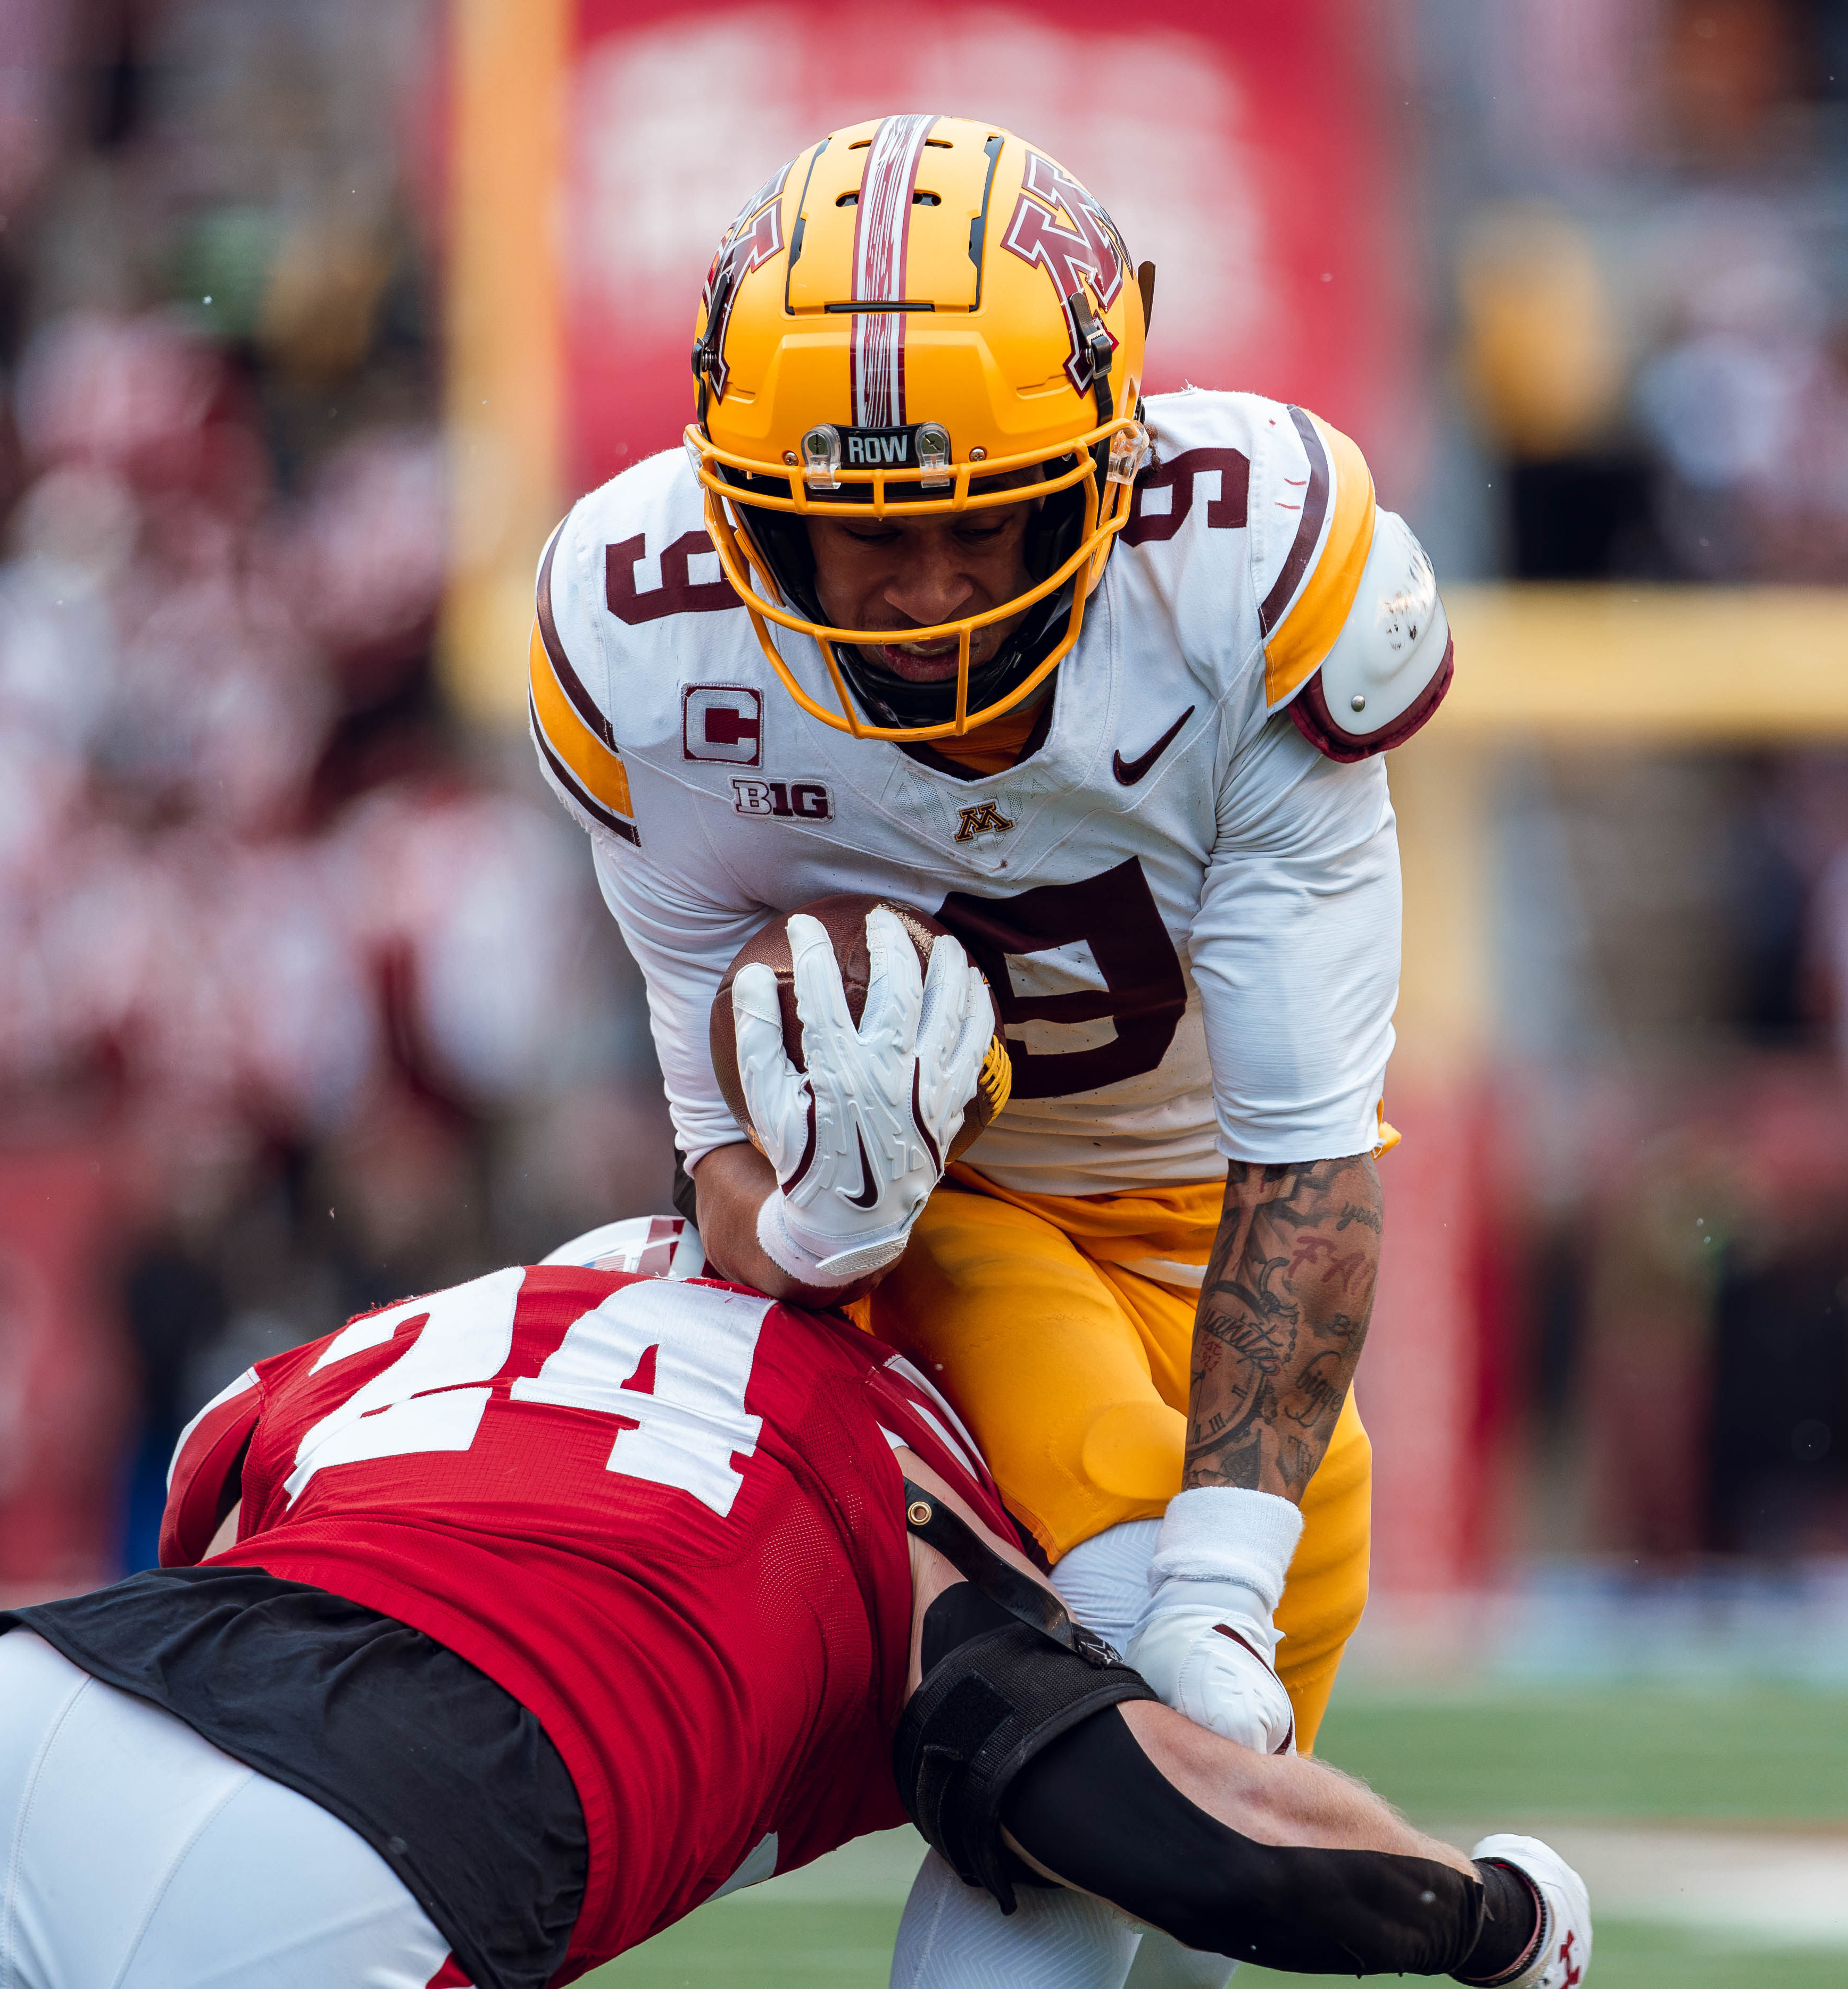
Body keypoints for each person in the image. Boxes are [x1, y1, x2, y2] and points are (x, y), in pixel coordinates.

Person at [532, 113, 1452, 1987]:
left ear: (1112, 465)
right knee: (1104, 1684)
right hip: (957, 1203)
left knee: (1212, 1839)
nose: (918, 584)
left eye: (980, 512)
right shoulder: (644, 645)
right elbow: (716, 1168)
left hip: (1224, 1217)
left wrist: (1224, 1581)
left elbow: (1304, 1152)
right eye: (845, 527)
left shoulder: (1248, 589)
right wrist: (821, 1228)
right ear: (729, 500)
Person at [0, 1218, 1587, 1989]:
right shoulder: (914, 1487)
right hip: (347, 1849)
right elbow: (1214, 1846)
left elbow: (210, 1488)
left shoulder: (443, 1323)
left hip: (32, 1724)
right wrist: (1496, 1917)